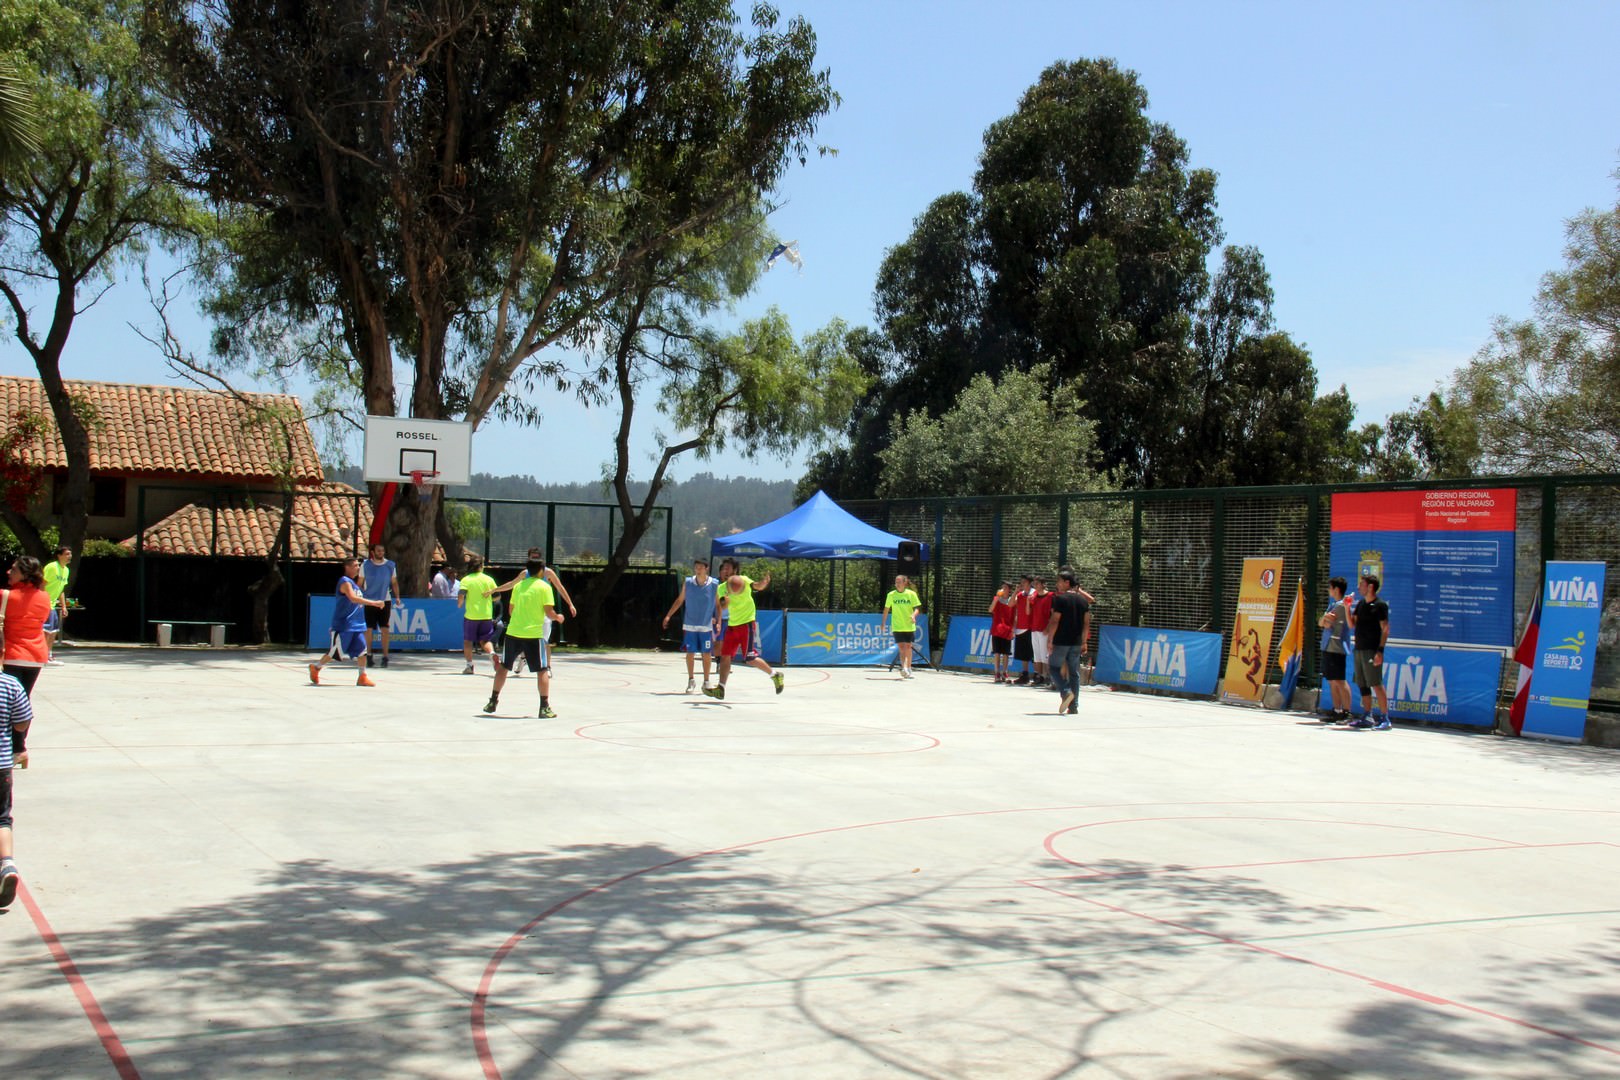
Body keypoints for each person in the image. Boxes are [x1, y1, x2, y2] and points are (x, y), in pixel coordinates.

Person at [484, 549, 563, 717]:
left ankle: (493, 701)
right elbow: (549, 612)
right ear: (541, 571)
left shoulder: (518, 586)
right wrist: (558, 617)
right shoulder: (544, 587)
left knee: (504, 667)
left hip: (513, 632)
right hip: (533, 634)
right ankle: (544, 707)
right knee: (542, 670)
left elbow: (511, 610)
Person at [704, 570, 782, 699]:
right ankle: (721, 688)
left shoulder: (744, 580)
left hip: (747, 623)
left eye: (729, 569)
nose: (726, 572)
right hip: (732, 625)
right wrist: (724, 603)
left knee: (750, 658)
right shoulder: (721, 588)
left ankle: (775, 675)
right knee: (725, 656)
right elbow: (721, 606)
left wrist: (763, 583)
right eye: (724, 570)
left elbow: (757, 586)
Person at [309, 556, 386, 686]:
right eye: (355, 565)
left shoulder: (355, 585)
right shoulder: (344, 582)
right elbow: (353, 598)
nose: (358, 568)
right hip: (344, 625)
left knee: (362, 651)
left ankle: (362, 676)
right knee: (335, 652)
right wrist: (374, 603)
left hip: (357, 625)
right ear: (347, 567)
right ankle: (316, 668)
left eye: (358, 565)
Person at [0, 669, 34, 909]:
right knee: (2, 819)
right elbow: (22, 723)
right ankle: (7, 865)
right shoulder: (10, 684)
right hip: (1, 766)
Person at [662, 558, 719, 693]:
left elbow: (717, 604)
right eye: (696, 567)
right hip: (690, 624)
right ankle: (691, 680)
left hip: (705, 625)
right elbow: (680, 600)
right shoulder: (688, 583)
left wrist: (719, 621)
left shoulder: (714, 584)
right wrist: (668, 615)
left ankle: (706, 681)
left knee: (706, 653)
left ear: (706, 568)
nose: (698, 569)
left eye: (701, 567)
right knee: (690, 652)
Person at [1, 557, 53, 697]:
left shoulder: (5, 596)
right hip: (35, 656)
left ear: (25, 575)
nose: (8, 572)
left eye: (14, 570)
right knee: (23, 700)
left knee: (6, 702)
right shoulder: (45, 597)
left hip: (11, 654)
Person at [1347, 574, 1392, 730]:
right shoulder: (1360, 604)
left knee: (1376, 683)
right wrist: (1347, 607)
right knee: (1362, 684)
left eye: (1362, 584)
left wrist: (1380, 651)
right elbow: (1351, 624)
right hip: (1359, 648)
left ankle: (1385, 718)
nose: (1359, 587)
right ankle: (1368, 716)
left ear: (1370, 587)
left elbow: (1385, 629)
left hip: (1372, 650)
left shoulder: (1380, 605)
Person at [1045, 570, 1091, 715]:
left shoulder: (1060, 599)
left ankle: (1065, 691)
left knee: (1053, 668)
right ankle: (1074, 706)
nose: (1057, 584)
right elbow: (1086, 623)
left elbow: (1055, 620)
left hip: (1061, 640)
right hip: (1076, 642)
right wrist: (1084, 641)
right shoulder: (1083, 601)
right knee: (1074, 673)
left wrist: (1050, 639)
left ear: (1067, 582)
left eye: (1059, 581)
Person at [1317, 576, 1354, 723]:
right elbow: (1321, 622)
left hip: (1337, 647)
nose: (1328, 590)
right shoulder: (1332, 604)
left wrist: (1325, 619)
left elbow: (1327, 623)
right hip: (1328, 647)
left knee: (1340, 680)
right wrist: (1324, 619)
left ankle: (1347, 712)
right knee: (1332, 681)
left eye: (1330, 587)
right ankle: (1337, 710)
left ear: (1336, 589)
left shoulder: (1341, 606)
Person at [358, 542, 400, 667]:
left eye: (382, 551)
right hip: (369, 600)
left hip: (384, 600)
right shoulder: (365, 565)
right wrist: (360, 597)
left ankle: (385, 656)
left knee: (385, 629)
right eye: (378, 551)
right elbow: (360, 583)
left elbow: (394, 582)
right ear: (373, 552)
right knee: (369, 629)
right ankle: (369, 654)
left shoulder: (390, 565)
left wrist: (397, 597)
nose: (381, 553)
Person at [458, 554, 499, 675]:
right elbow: (497, 597)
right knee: (485, 640)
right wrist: (488, 598)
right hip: (486, 615)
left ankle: (469, 666)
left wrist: (459, 604)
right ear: (481, 566)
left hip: (471, 616)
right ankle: (492, 654)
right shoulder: (489, 579)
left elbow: (461, 594)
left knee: (468, 641)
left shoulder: (466, 580)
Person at [881, 574, 924, 679]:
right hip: (897, 625)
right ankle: (904, 668)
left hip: (909, 625)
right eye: (896, 582)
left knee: (908, 647)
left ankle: (909, 668)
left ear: (905, 583)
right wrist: (883, 623)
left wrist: (913, 615)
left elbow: (917, 608)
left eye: (899, 582)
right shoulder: (891, 595)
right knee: (901, 647)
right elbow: (886, 609)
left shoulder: (911, 594)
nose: (897, 584)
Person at [42, 546, 70, 664]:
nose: (69, 556)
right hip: (44, 603)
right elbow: (42, 584)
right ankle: (42, 656)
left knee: (53, 631)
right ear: (59, 555)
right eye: (67, 554)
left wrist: (63, 606)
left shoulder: (66, 570)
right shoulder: (52, 567)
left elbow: (61, 589)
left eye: (70, 554)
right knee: (45, 631)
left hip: (52, 605)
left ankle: (48, 655)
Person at [988, 581, 1016, 683]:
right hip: (997, 629)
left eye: (1005, 588)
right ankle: (997, 672)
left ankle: (1005, 672)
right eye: (1002, 587)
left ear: (1009, 590)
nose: (1003, 589)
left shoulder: (1012, 601)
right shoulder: (997, 599)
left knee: (1006, 653)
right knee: (997, 652)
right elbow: (990, 610)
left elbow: (1014, 616)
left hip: (1007, 630)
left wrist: (1013, 629)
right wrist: (996, 599)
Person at [1028, 575, 1053, 686]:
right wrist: (1028, 601)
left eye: (1037, 584)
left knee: (1045, 654)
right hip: (1034, 628)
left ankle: (1048, 676)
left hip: (1044, 629)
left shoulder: (1050, 596)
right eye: (1034, 584)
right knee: (1037, 654)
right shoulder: (1033, 597)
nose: (1035, 586)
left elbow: (1053, 613)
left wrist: (1048, 627)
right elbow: (1028, 612)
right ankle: (1038, 676)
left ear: (1043, 584)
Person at [1011, 575, 1035, 684]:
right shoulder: (1020, 594)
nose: (1022, 584)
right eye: (1021, 582)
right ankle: (1025, 675)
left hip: (1031, 627)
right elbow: (1010, 604)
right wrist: (1015, 592)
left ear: (1030, 583)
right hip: (1020, 627)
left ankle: (1039, 674)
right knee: (1023, 654)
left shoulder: (1034, 594)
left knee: (1033, 653)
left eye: (1024, 582)